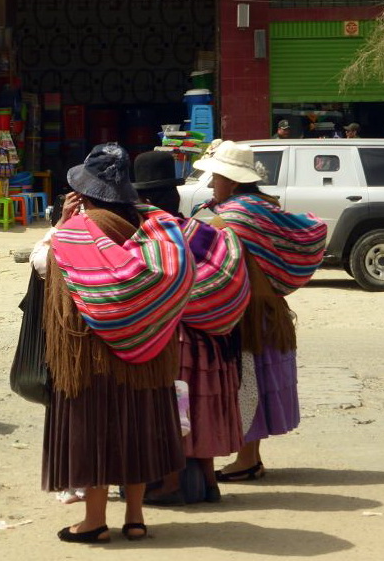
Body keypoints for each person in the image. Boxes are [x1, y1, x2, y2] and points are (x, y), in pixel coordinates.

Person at [30, 143, 196, 543]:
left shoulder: (75, 232)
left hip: (91, 353)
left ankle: (94, 521)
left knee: (96, 430)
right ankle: (136, 518)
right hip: (149, 349)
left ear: (84, 193)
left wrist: (59, 225)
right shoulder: (158, 228)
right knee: (139, 426)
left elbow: (42, 264)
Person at [192, 141, 327, 482]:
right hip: (270, 310)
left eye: (216, 178)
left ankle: (248, 460)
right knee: (258, 381)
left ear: (233, 181)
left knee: (246, 382)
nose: (211, 185)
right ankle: (250, 457)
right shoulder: (263, 205)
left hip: (248, 313)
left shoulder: (237, 214)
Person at [132, 150, 248, 504]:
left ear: (144, 199)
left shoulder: (153, 236)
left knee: (174, 409)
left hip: (177, 340)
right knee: (200, 406)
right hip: (212, 339)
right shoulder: (200, 229)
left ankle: (170, 482)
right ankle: (210, 482)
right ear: (176, 194)